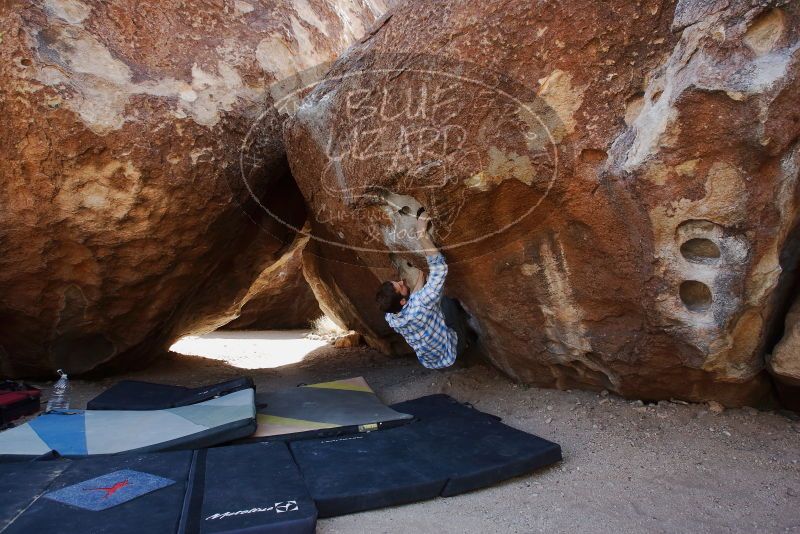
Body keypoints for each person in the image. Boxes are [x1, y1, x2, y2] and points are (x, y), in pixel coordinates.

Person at [375, 211, 469, 369]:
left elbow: (415, 301)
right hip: (451, 352)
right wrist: (421, 234)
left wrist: (421, 274)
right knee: (447, 302)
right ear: (403, 301)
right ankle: (465, 344)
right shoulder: (420, 304)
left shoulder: (391, 318)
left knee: (433, 305)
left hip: (429, 361)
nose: (402, 281)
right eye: (400, 286)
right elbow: (440, 268)